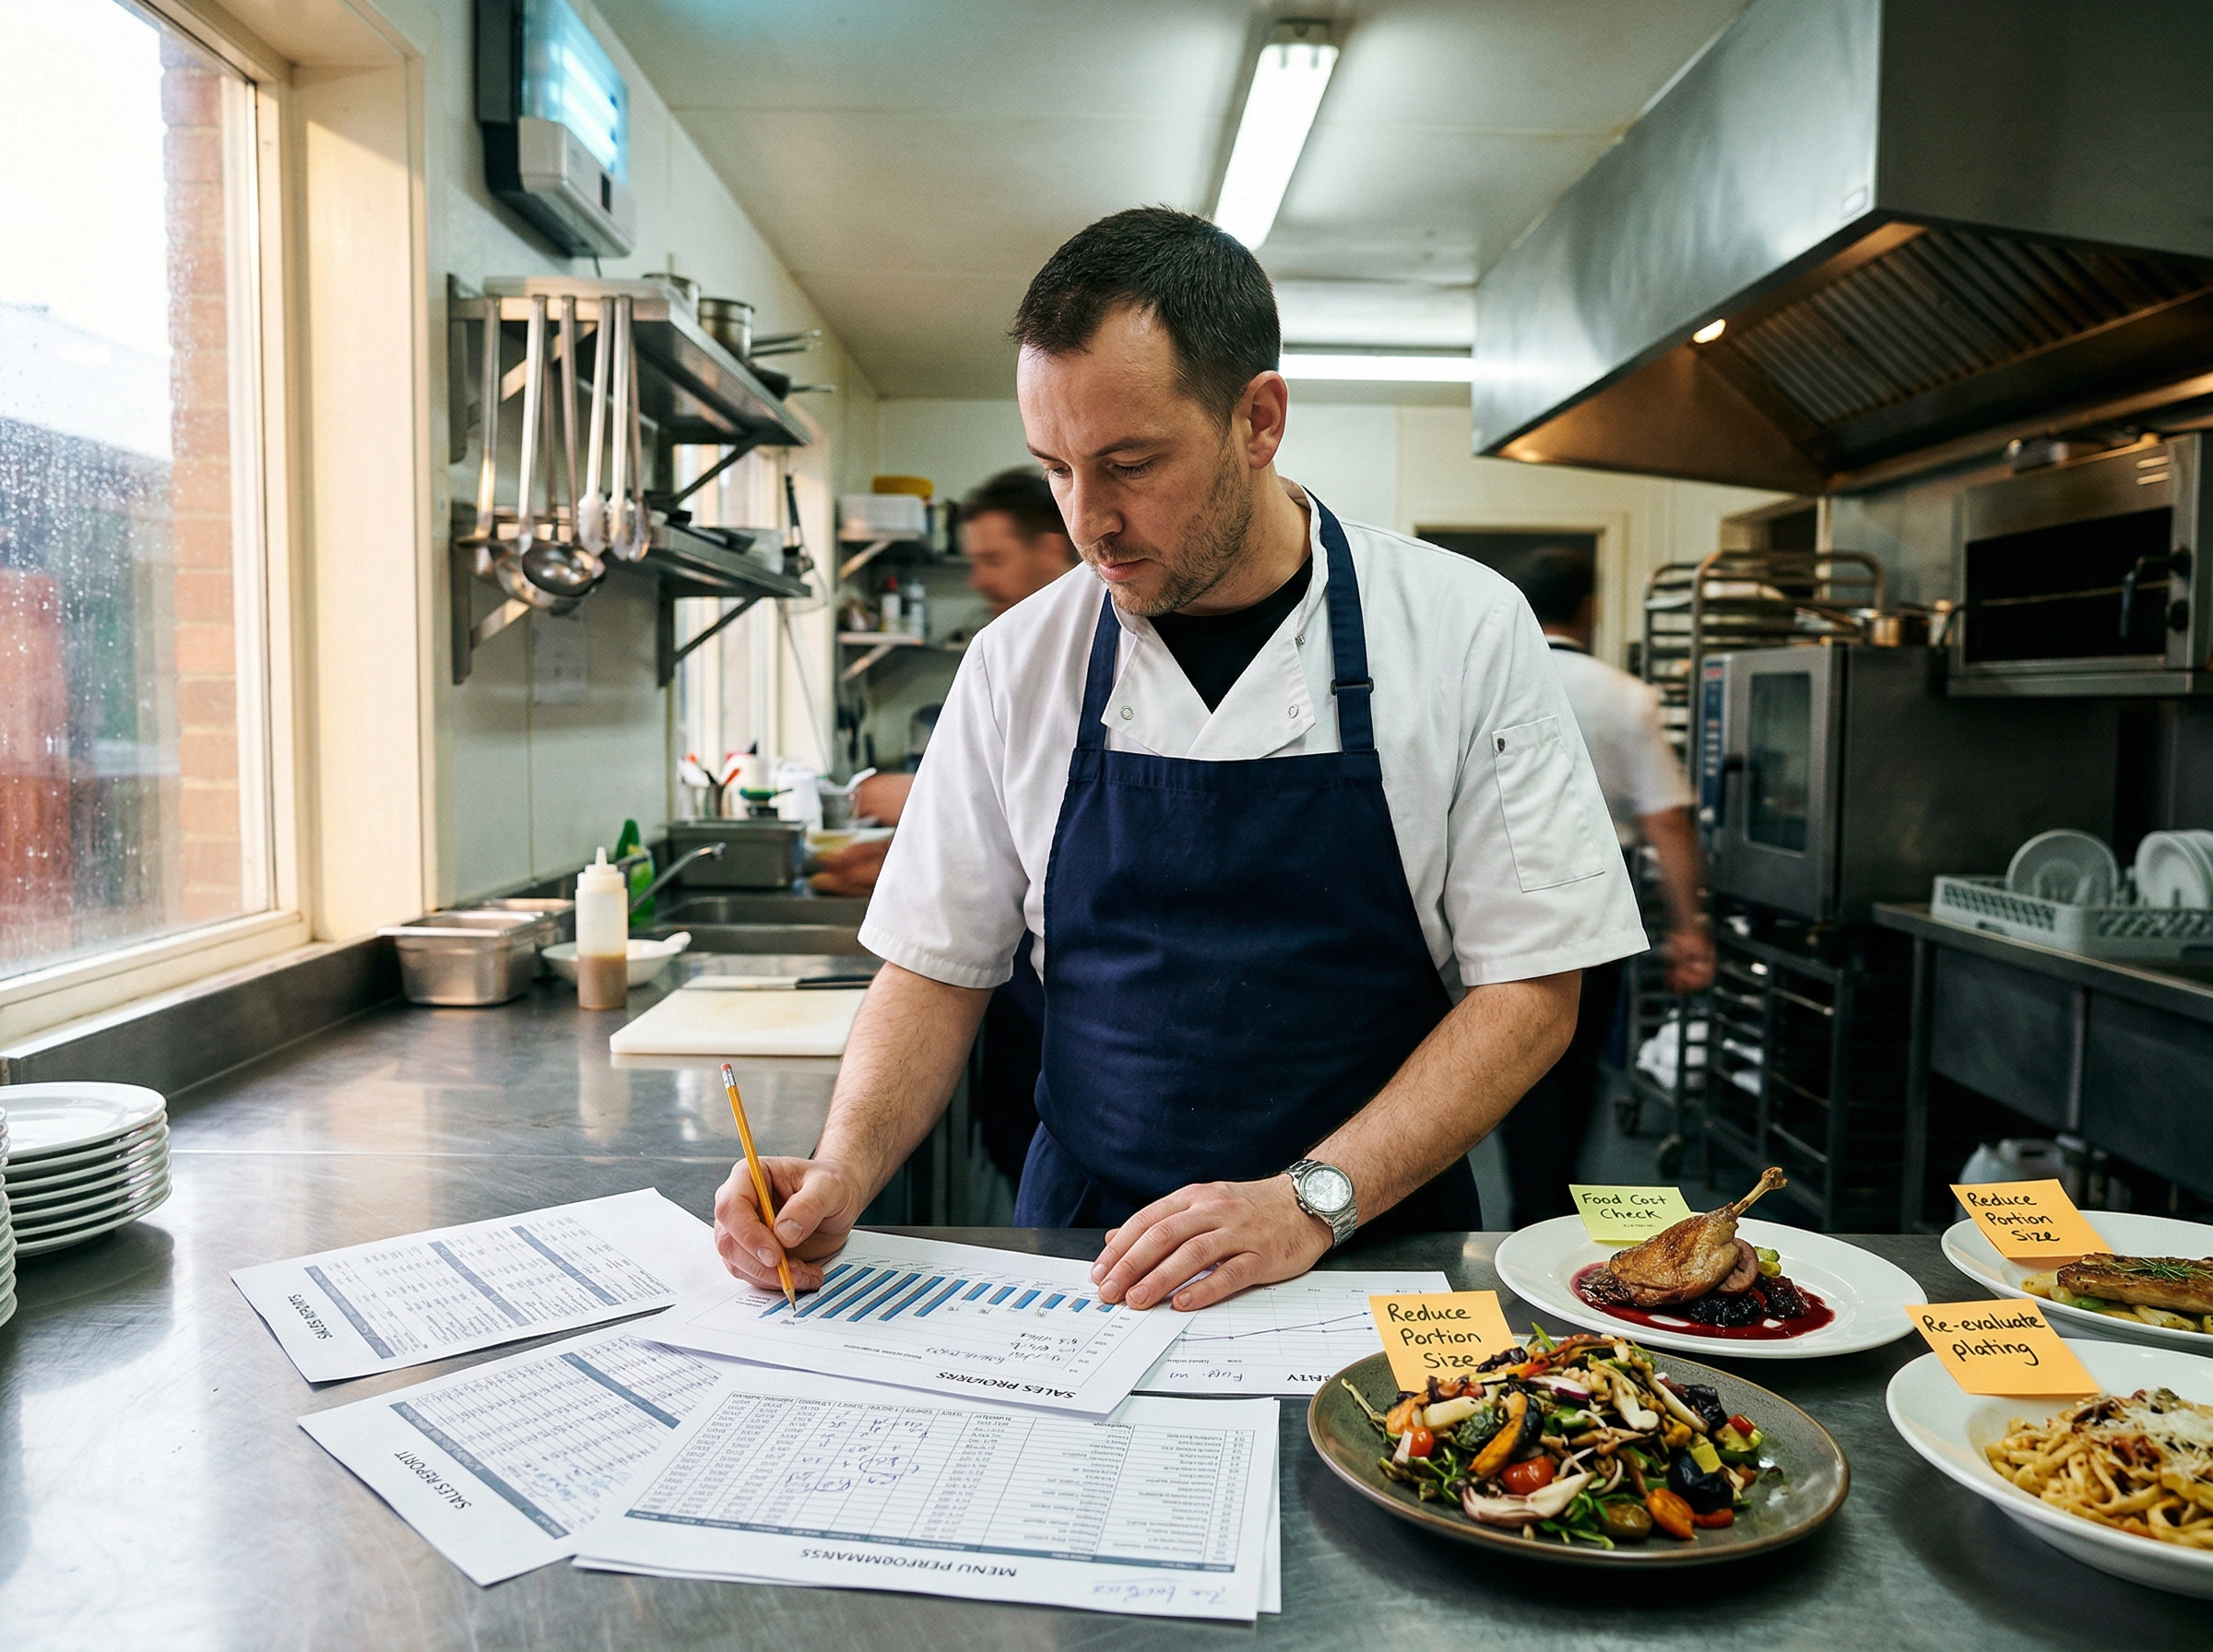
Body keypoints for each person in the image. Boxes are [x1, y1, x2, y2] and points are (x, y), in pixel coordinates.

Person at [716, 206, 1644, 1314]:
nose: (1088, 522)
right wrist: (843, 1164)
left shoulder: (1462, 629)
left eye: (1130, 463)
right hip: (1091, 1250)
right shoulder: (1020, 661)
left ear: (1259, 419)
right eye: (1054, 469)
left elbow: (1533, 989)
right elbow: (933, 963)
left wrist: (1306, 1202)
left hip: (1372, 1244)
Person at [1498, 549, 1716, 1227]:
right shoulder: (1624, 695)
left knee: (1488, 1058)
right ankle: (1547, 1217)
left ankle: (1492, 1211)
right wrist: (1690, 929)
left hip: (1490, 897)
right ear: (1589, 609)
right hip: (1592, 900)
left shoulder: (1483, 679)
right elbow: (1668, 822)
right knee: (1568, 1063)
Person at [807, 473, 1079, 902]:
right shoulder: (1013, 658)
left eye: (994, 560)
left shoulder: (1099, 654)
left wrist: (926, 799)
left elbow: (1077, 814)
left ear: (1049, 551)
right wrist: (899, 853)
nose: (978, 581)